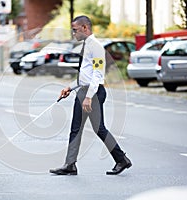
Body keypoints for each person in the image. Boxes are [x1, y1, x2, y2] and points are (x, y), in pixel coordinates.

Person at [49, 15, 132, 176]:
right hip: (83, 90)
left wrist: (88, 96)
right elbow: (85, 75)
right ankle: (70, 165)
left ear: (85, 28)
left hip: (92, 93)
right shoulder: (87, 46)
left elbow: (98, 75)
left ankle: (121, 159)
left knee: (99, 129)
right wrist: (70, 87)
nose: (74, 33)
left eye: (75, 30)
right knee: (76, 129)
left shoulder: (96, 47)